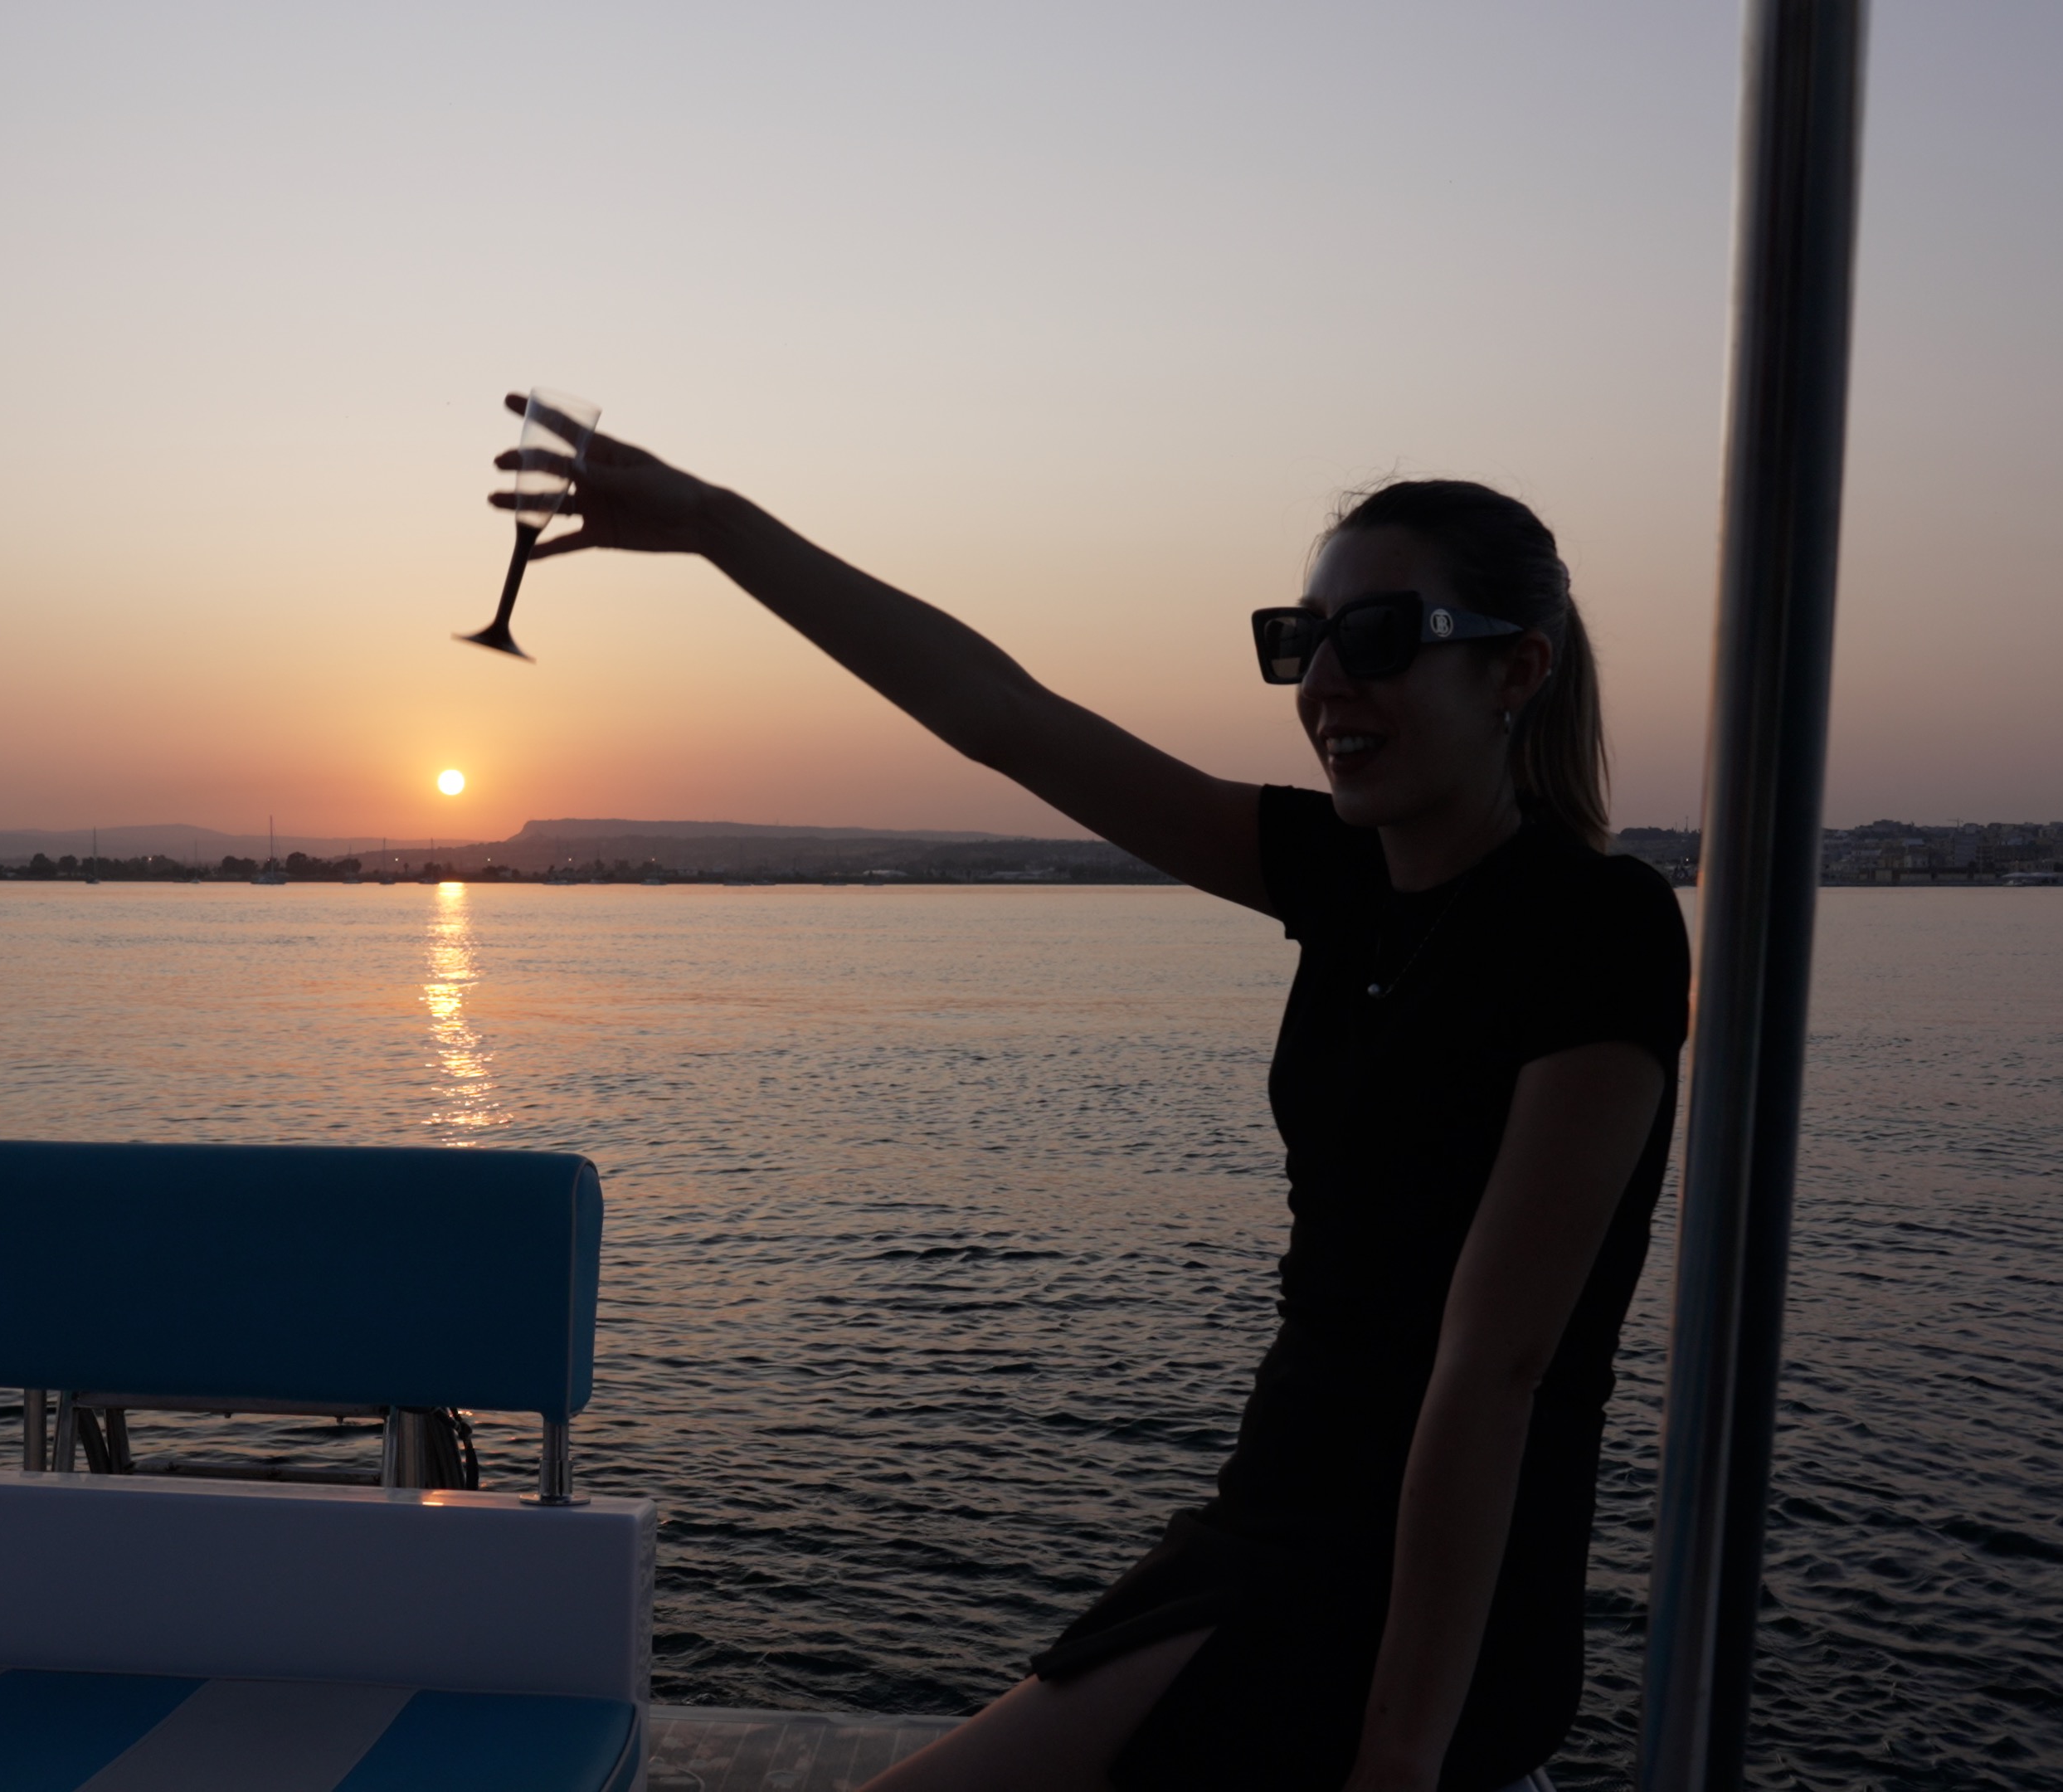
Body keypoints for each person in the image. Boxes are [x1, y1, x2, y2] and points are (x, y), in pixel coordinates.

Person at [494, 397, 1691, 1792]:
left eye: (1378, 638)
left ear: (1515, 670)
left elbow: (1499, 1369)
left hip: (1429, 1605)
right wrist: (713, 528)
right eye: (1301, 643)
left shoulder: (1594, 928)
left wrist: (1402, 1757)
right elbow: (1002, 717)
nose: (1327, 686)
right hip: (1263, 1533)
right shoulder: (1343, 882)